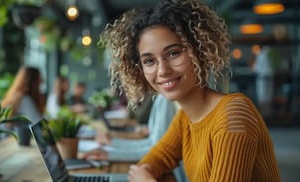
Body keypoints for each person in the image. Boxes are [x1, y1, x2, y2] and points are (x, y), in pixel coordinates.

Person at [99, 0, 281, 181]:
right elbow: (152, 162)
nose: (162, 71)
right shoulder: (185, 118)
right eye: (149, 61)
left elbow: (145, 175)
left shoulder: (233, 115)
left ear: (201, 52)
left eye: (173, 53)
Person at [83, 94, 187, 181]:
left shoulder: (165, 99)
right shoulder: (180, 113)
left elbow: (155, 147)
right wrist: (113, 144)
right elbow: (161, 151)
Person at [1, 66, 45, 145]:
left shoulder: (16, 96)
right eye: (39, 79)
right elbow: (39, 124)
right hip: (7, 144)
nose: (42, 81)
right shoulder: (24, 99)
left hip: (7, 142)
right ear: (33, 81)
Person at [253, 46, 274, 118]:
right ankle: (267, 115)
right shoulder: (272, 54)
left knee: (262, 95)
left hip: (262, 77)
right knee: (268, 95)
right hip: (270, 76)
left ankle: (263, 116)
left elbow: (256, 68)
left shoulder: (260, 54)